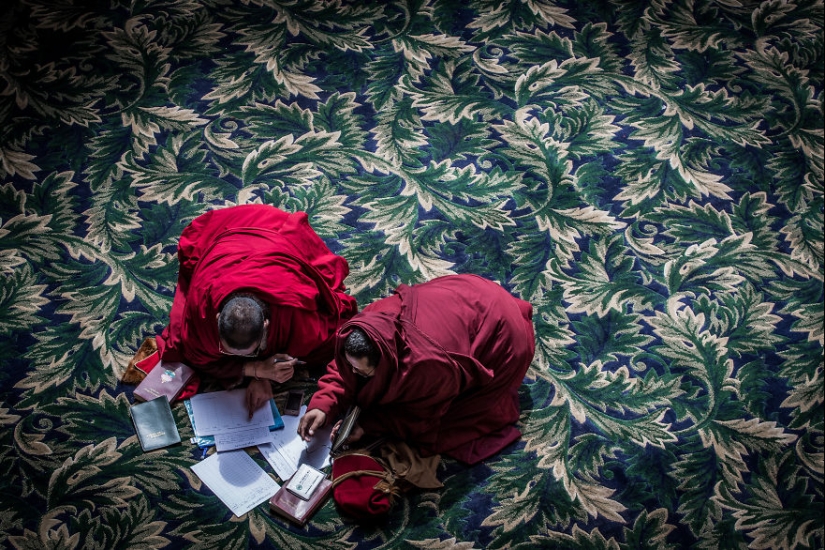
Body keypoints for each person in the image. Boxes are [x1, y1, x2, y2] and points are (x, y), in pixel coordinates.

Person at [297, 274, 535, 465]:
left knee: (455, 419)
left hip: (505, 338)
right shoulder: (370, 320)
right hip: (466, 294)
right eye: (352, 367)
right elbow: (343, 367)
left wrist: (367, 426)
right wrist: (323, 403)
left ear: (386, 362)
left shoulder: (426, 368)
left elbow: (418, 418)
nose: (354, 374)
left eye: (362, 372)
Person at [155, 204, 358, 416]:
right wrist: (256, 370)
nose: (239, 358)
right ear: (217, 318)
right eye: (226, 351)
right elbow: (195, 354)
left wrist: (272, 368)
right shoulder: (203, 306)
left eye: (251, 352)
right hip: (228, 238)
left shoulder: (292, 310)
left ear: (266, 325)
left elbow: (341, 332)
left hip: (271, 234)